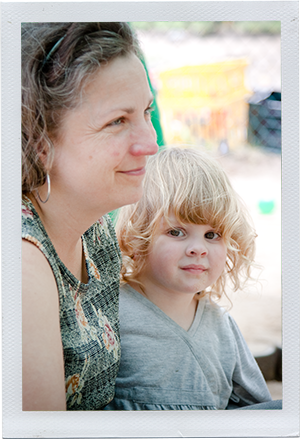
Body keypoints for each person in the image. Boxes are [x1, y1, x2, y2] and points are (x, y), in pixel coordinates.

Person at [21, 22, 158, 411]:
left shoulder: (94, 226)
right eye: (118, 121)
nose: (151, 143)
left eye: (147, 111)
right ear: (39, 141)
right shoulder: (21, 266)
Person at [105, 147, 281, 411]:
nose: (198, 248)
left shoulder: (222, 327)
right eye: (177, 232)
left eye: (212, 235)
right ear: (138, 237)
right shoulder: (112, 314)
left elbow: (254, 409)